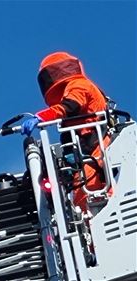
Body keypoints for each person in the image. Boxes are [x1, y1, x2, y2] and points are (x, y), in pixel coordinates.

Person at [21, 51, 111, 212]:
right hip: (87, 146)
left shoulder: (79, 85)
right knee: (82, 193)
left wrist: (41, 117)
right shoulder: (79, 86)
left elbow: (68, 107)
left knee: (90, 192)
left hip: (94, 145)